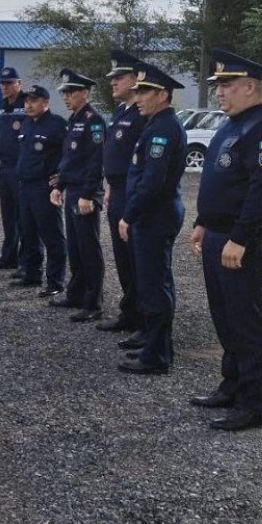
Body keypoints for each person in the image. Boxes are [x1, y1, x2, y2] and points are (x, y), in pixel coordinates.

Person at [189, 49, 262, 431]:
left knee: (246, 321)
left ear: (250, 86)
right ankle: (230, 387)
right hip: (217, 233)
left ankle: (250, 405)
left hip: (242, 240)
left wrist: (241, 238)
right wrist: (203, 221)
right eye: (218, 86)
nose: (219, 93)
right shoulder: (233, 123)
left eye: (227, 85)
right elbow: (222, 181)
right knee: (224, 316)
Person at [115, 63, 187, 375]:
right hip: (152, 214)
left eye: (145, 91)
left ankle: (156, 356)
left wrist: (128, 215)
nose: (139, 96)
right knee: (152, 282)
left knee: (155, 285)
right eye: (138, 91)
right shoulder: (156, 124)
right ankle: (155, 345)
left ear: (164, 95)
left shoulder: (163, 129)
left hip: (154, 216)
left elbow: (152, 182)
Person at [50, 69, 106, 319]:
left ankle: (93, 303)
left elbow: (96, 160)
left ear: (84, 93)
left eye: (70, 92)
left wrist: (88, 193)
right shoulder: (75, 119)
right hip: (72, 189)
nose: (65, 97)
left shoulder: (94, 120)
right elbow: (69, 159)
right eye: (64, 92)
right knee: (75, 247)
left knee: (88, 247)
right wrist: (59, 185)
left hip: (84, 192)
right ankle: (76, 293)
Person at [98, 51, 146, 335]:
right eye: (112, 77)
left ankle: (143, 318)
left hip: (132, 192)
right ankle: (130, 312)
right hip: (116, 191)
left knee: (137, 259)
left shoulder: (141, 115)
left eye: (119, 77)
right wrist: (109, 187)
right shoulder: (121, 112)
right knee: (123, 258)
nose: (113, 82)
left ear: (135, 79)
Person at [11, 85, 67, 297]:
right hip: (25, 186)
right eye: (26, 101)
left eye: (33, 101)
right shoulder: (27, 124)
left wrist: (59, 181)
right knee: (28, 232)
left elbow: (67, 155)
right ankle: (32, 273)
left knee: (52, 235)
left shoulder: (57, 125)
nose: (28, 105)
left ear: (46, 102)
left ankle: (55, 282)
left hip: (44, 187)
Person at [0, 66, 27, 272]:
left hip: (21, 166)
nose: (5, 87)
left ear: (19, 84)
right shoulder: (3, 105)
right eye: (2, 83)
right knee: (8, 214)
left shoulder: (27, 103)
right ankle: (8, 256)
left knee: (24, 216)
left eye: (9, 83)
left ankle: (26, 261)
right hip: (5, 166)